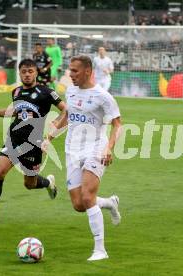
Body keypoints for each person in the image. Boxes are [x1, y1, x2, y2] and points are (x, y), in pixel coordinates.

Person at [42, 55, 122, 261]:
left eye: (75, 71)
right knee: (79, 205)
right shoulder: (71, 90)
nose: (70, 74)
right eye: (70, 70)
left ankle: (100, 250)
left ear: (88, 71)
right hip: (72, 150)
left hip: (95, 149)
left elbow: (117, 125)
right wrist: (50, 136)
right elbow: (68, 116)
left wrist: (109, 148)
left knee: (87, 197)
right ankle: (110, 203)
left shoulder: (103, 96)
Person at [0, 58, 66, 227]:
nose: (27, 75)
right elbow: (15, 112)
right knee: (0, 171)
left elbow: (66, 111)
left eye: (30, 71)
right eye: (23, 72)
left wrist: (50, 136)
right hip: (14, 139)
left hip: (33, 144)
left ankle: (48, 183)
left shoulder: (46, 92)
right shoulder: (16, 92)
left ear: (36, 73)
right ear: (19, 73)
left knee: (29, 184)